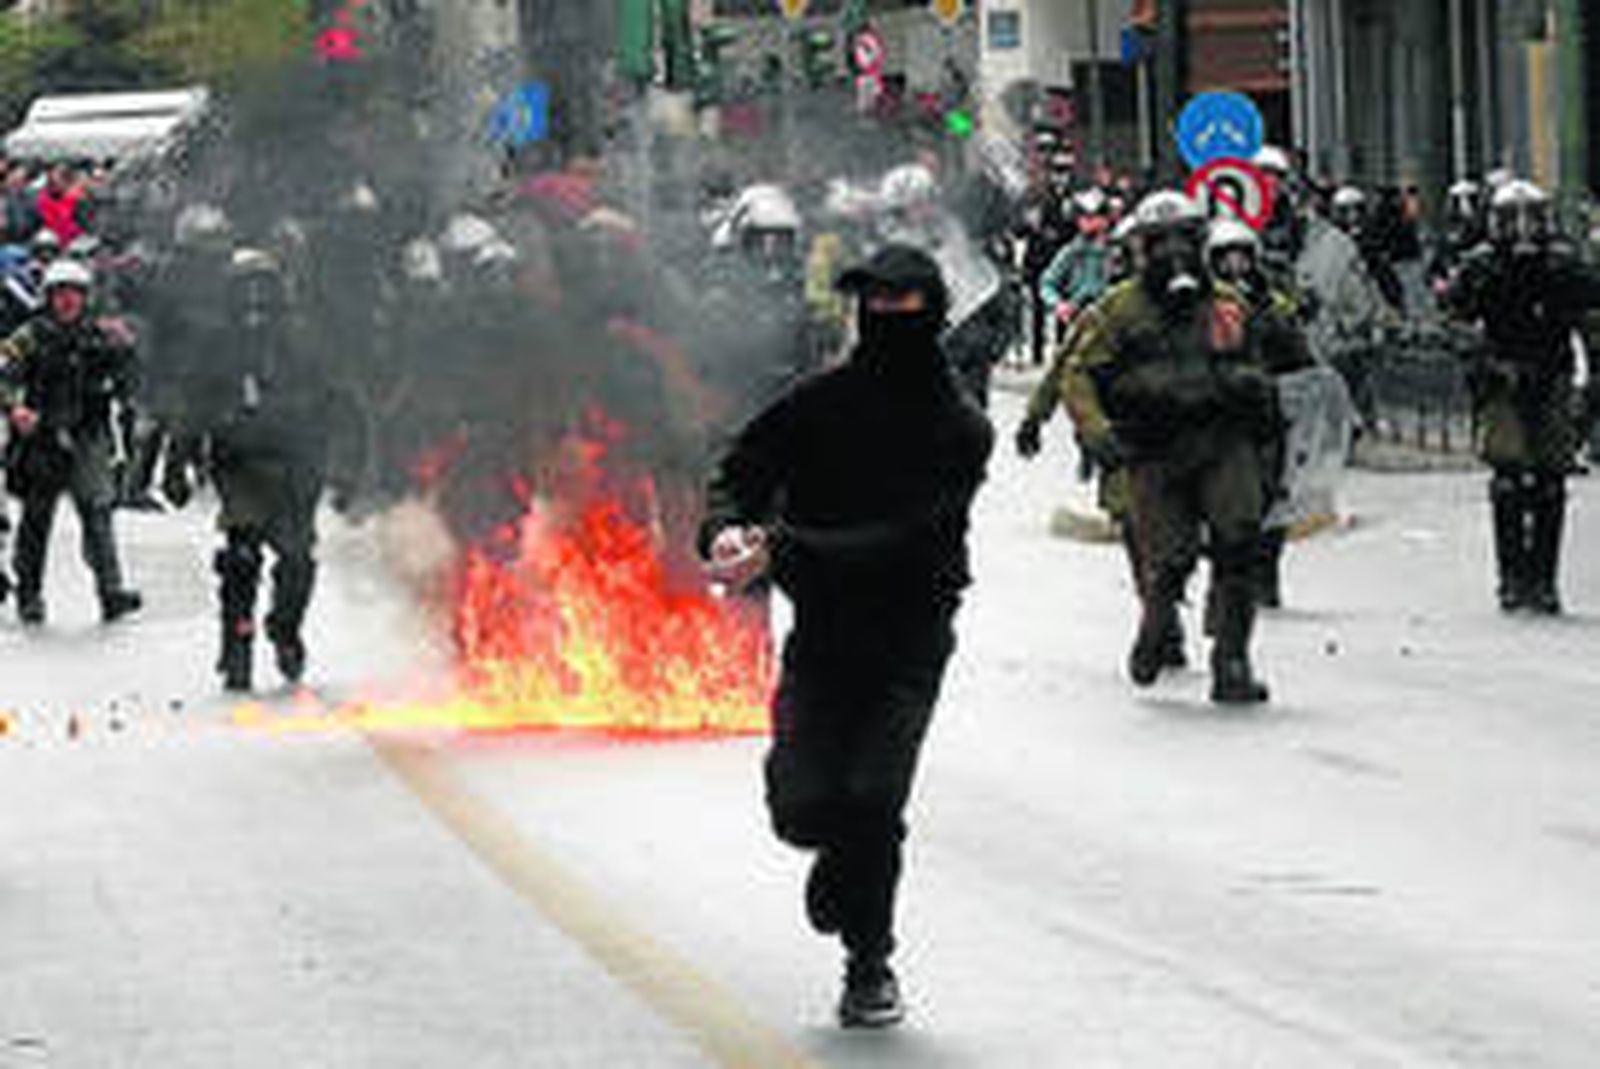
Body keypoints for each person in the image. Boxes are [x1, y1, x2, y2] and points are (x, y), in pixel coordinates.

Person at [699, 244, 992, 1029]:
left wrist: (784, 549)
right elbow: (742, 463)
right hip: (823, 637)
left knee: (873, 797)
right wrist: (727, 528)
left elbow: (909, 538)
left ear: (931, 314)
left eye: (906, 307)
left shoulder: (960, 428)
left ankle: (869, 961)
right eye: (877, 305)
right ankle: (839, 857)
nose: (889, 320)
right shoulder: (821, 402)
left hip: (910, 637)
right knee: (802, 806)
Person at [1062, 191, 1279, 704]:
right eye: (1160, 242)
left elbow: (1266, 363)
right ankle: (1155, 625)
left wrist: (1250, 384)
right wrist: (1097, 432)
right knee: (1173, 557)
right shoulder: (1118, 310)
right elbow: (1079, 374)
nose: (1174, 253)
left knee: (1238, 543)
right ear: (1141, 249)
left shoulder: (1227, 303)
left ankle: (1232, 663)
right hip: (1156, 450)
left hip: (1221, 442)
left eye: (1186, 239)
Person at [162, 249, 345, 690]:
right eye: (247, 290)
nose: (255, 301)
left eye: (264, 289)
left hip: (296, 465)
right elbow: (191, 407)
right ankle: (236, 643)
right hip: (240, 465)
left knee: (297, 561)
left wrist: (349, 469)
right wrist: (177, 463)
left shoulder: (302, 342)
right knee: (241, 558)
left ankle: (285, 630)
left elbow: (336, 403)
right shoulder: (216, 346)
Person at [1442, 179, 1600, 614]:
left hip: (1553, 374)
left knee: (1551, 481)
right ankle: (1511, 578)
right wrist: (1481, 360)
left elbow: (1591, 314)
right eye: (1514, 220)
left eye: (1532, 219)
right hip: (1502, 379)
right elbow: (1455, 319)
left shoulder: (1564, 264)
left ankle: (1544, 580)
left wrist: (1589, 380)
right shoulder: (1481, 266)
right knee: (1508, 480)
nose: (1524, 230)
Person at [0, 259, 143, 626]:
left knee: (98, 512)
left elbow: (130, 377)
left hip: (88, 434)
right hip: (43, 436)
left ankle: (111, 592)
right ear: (48, 297)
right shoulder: (30, 336)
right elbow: (3, 372)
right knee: (36, 519)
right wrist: (15, 408)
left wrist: (127, 350)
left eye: (74, 294)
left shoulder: (99, 334)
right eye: (60, 294)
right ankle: (29, 594)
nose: (67, 302)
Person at [1203, 217, 1315, 609]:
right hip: (1219, 421)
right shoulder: (1200, 307)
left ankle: (1265, 575)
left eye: (1242, 259)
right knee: (1227, 505)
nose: (1236, 269)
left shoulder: (1273, 305)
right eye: (1226, 260)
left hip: (1266, 418)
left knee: (1272, 500)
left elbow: (1300, 358)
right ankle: (1228, 578)